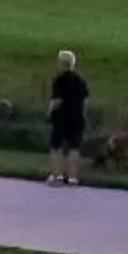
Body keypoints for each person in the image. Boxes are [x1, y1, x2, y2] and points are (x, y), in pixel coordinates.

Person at [46, 49, 90, 186]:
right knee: (74, 147)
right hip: (77, 117)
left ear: (61, 63)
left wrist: (49, 112)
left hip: (62, 117)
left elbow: (57, 100)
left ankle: (57, 175)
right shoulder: (80, 80)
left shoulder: (60, 80)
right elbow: (84, 100)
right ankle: (72, 177)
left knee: (56, 146)